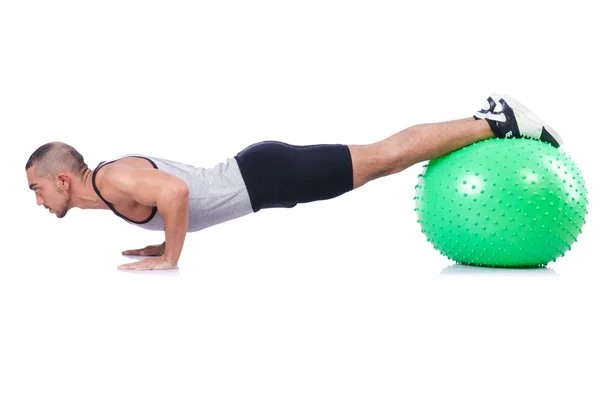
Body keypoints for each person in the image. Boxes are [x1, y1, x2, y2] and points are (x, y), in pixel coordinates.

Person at [25, 93, 563, 270]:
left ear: (65, 180)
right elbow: (174, 194)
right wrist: (167, 240)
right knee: (382, 159)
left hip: (265, 174)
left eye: (37, 188)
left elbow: (178, 192)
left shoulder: (113, 177)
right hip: (265, 179)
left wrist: (172, 257)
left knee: (384, 159)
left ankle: (501, 122)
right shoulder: (111, 186)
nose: (38, 199)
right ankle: (490, 118)